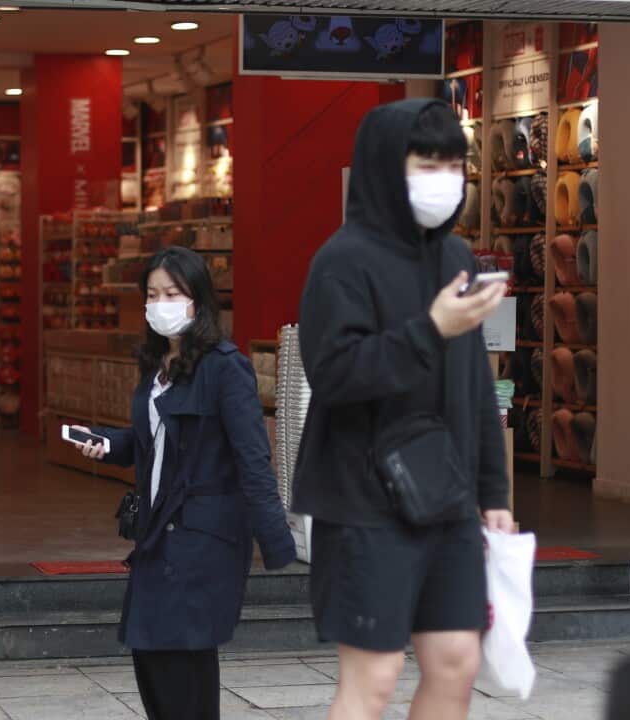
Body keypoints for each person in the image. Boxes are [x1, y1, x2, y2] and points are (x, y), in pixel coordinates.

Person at [294, 98, 514, 720]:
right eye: (427, 164)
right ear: (387, 167)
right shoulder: (341, 261)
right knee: (375, 677)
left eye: (454, 166)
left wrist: (493, 491)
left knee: (457, 662)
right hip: (363, 501)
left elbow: (475, 381)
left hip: (447, 495)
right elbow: (334, 374)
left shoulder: (457, 258)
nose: (445, 180)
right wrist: (430, 329)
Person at [76, 246, 296, 720]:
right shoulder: (156, 365)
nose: (161, 304)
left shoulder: (225, 367)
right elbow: (151, 441)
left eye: (172, 293)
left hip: (203, 541)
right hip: (159, 534)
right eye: (153, 294)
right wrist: (108, 443)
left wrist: (278, 544)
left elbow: (253, 459)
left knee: (178, 662)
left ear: (198, 300)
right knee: (152, 657)